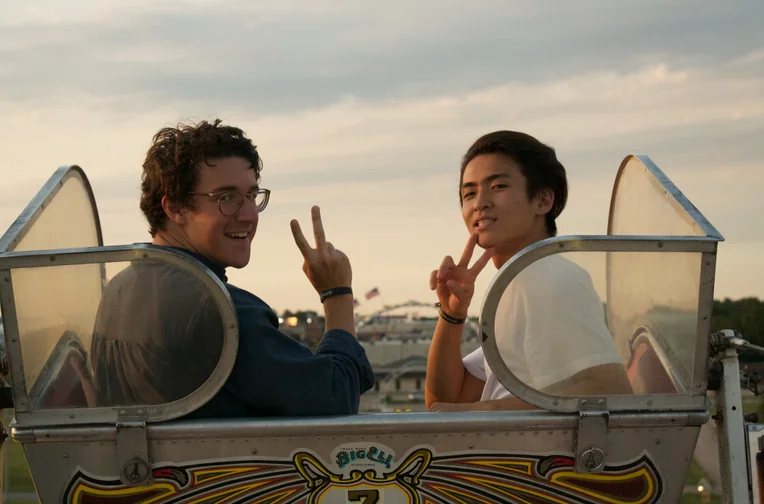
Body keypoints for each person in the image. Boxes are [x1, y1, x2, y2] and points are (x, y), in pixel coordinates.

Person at [91, 119, 374, 417]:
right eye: (226, 198)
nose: (249, 215)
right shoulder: (220, 311)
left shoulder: (119, 289)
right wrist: (337, 293)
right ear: (174, 207)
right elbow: (337, 399)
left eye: (252, 196)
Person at [424, 131, 632, 412]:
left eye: (497, 186)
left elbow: (607, 391)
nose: (480, 202)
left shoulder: (548, 278)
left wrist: (475, 414)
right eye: (469, 193)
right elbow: (445, 399)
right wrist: (451, 314)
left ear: (543, 201)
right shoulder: (516, 283)